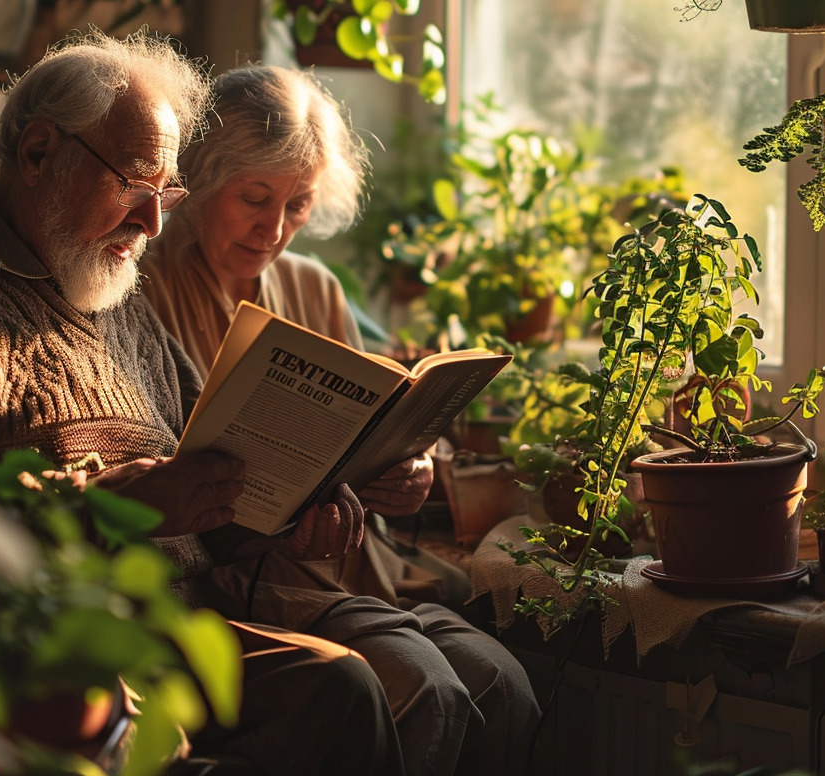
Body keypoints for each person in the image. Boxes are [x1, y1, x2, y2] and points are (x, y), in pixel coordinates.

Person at [0, 30, 406, 776]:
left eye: (167, 194)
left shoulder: (115, 292)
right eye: (137, 185)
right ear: (38, 153)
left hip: (175, 626)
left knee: (343, 685)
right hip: (47, 646)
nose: (155, 223)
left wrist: (289, 517)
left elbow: (212, 468)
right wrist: (107, 505)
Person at [140, 63, 542, 776]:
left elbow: (364, 437)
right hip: (250, 582)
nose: (274, 230)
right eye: (254, 199)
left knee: (506, 687)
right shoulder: (144, 286)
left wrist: (400, 475)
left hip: (354, 568)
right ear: (199, 181)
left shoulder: (313, 286)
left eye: (297, 206)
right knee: (432, 689)